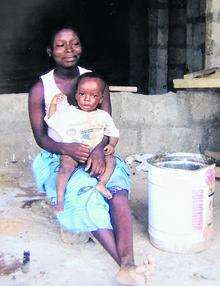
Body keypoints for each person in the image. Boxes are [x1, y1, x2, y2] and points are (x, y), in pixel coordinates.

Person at [28, 25, 155, 285]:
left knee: (116, 191)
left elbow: (107, 123)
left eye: (74, 43)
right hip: (61, 155)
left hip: (97, 150)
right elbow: (41, 138)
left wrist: (98, 149)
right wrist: (67, 148)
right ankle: (124, 265)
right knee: (87, 196)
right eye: (61, 45)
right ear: (50, 51)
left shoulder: (95, 81)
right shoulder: (41, 89)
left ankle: (128, 263)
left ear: (81, 46)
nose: (69, 50)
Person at [45, 72, 119, 211]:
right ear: (76, 95)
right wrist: (54, 104)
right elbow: (52, 120)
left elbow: (113, 133)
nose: (87, 99)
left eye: (94, 96)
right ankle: (60, 199)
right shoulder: (69, 113)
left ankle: (101, 184)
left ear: (101, 99)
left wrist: (111, 145)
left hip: (95, 155)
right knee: (64, 167)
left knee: (111, 160)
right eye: (83, 94)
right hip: (73, 153)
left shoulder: (103, 116)